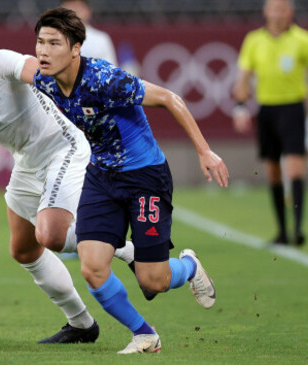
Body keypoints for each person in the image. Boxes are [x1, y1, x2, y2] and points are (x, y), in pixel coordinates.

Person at [0, 14, 139, 344]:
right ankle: (81, 324)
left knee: (50, 234)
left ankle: (125, 249)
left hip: (63, 146)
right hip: (27, 160)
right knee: (23, 248)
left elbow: (35, 69)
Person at [33, 8, 230, 354]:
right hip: (102, 175)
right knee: (92, 267)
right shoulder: (44, 80)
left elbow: (170, 98)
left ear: (76, 48)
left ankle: (188, 266)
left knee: (152, 280)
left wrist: (205, 152)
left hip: (145, 178)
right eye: (39, 42)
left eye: (53, 43)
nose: (43, 51)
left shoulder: (105, 80)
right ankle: (144, 334)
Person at [232, 0, 308, 246]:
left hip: (293, 108)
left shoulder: (303, 40)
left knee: (295, 167)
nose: (277, 14)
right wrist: (241, 106)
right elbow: (243, 78)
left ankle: (298, 228)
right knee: (273, 170)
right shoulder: (254, 40)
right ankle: (281, 230)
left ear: (290, 12)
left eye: (282, 9)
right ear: (266, 11)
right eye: (273, 9)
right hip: (267, 109)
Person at [59, 0, 117, 65]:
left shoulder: (101, 39)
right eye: (69, 6)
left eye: (78, 6)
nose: (73, 11)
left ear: (87, 11)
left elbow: (110, 71)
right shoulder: (51, 36)